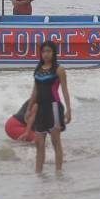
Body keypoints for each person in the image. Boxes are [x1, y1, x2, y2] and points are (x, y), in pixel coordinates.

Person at [28, 40, 71, 173]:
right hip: (41, 109)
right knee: (39, 143)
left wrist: (69, 110)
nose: (46, 54)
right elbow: (35, 91)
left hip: (54, 108)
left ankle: (58, 173)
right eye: (43, 51)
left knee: (55, 142)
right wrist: (29, 109)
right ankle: (38, 174)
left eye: (48, 51)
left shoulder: (59, 69)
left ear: (53, 53)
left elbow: (65, 90)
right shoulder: (38, 70)